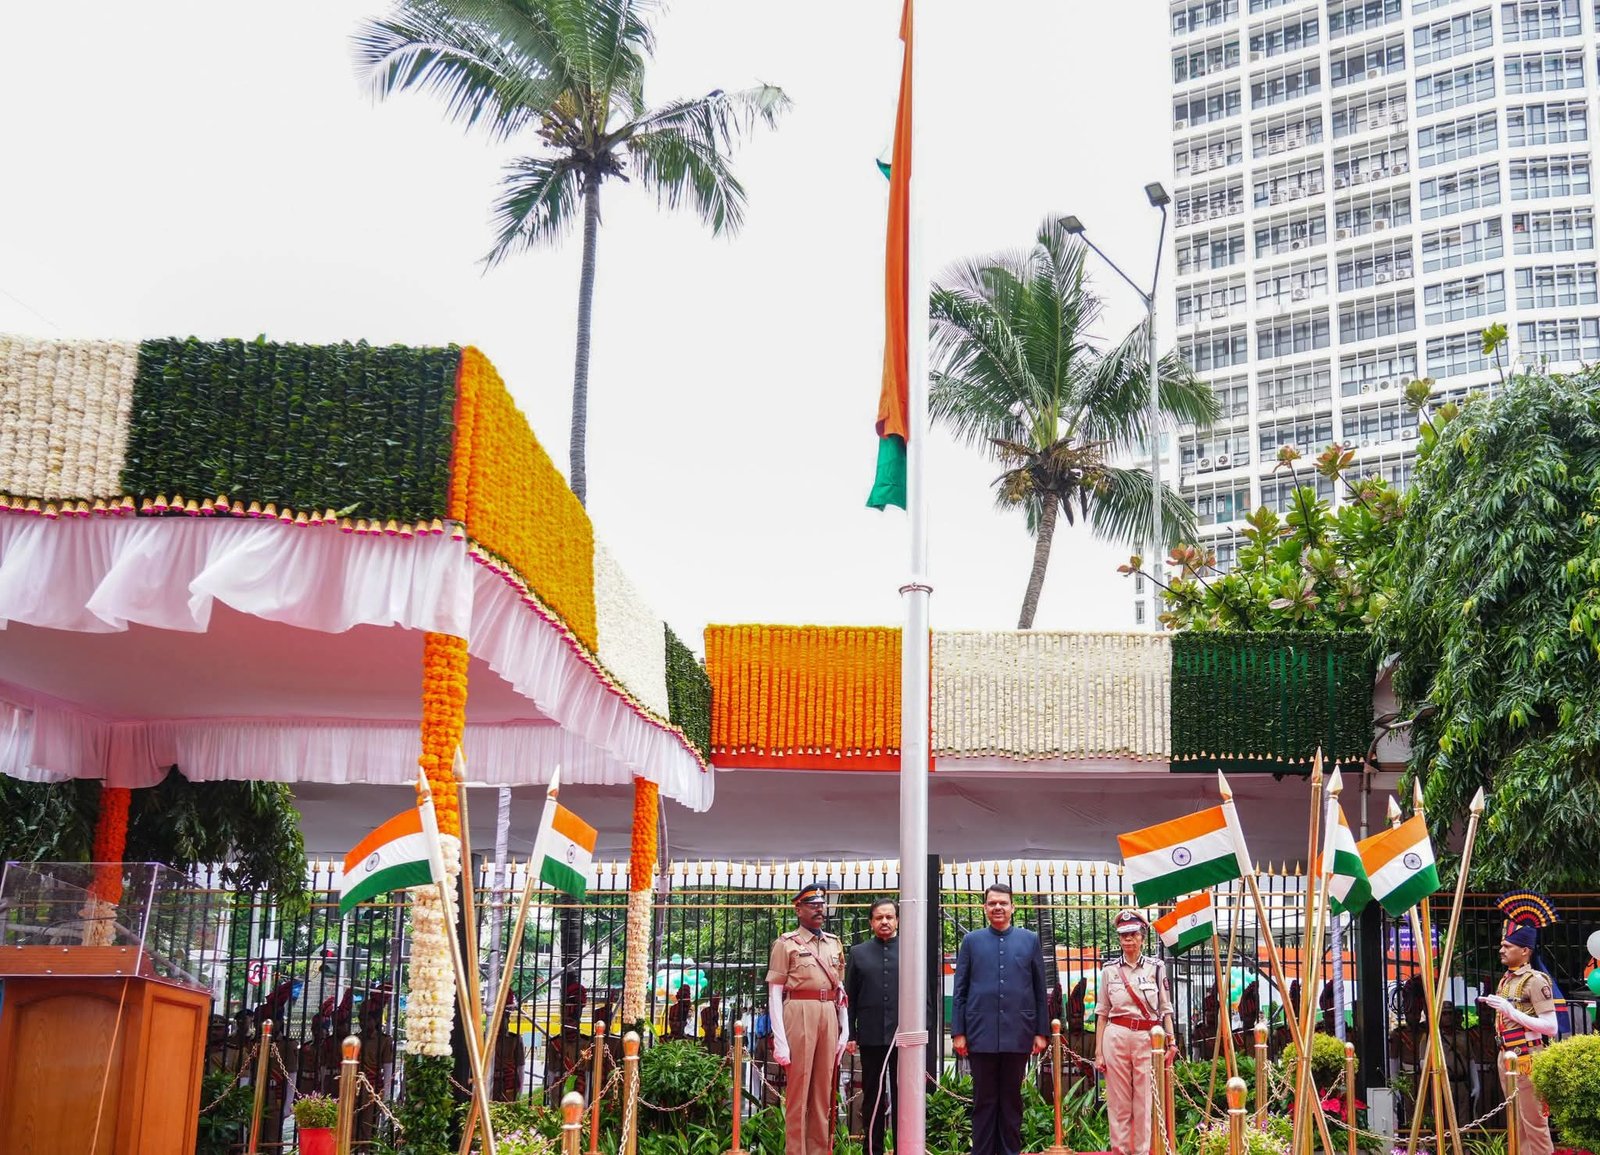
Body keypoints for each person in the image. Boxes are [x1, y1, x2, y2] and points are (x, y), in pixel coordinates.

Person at [952, 883, 1048, 1155]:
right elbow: (960, 989)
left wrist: (1040, 1031)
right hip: (980, 1033)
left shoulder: (1029, 939)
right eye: (992, 903)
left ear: (1012, 907)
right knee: (983, 1102)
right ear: (984, 908)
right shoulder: (972, 941)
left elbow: (1039, 989)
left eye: (1003, 903)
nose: (998, 907)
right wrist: (959, 1032)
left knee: (1011, 1102)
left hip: (1018, 1032)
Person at [767, 882, 849, 1155]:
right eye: (812, 905)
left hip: (828, 1012)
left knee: (823, 1092)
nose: (819, 909)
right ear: (798, 909)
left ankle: (818, 1151)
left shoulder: (834, 943)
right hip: (799, 1011)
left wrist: (845, 1030)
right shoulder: (786, 944)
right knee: (798, 1092)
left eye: (821, 905)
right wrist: (780, 1040)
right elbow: (774, 992)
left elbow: (840, 988)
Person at [1094, 909, 1176, 1155]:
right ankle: (1120, 1150)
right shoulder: (1109, 970)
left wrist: (1171, 1041)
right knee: (1118, 1101)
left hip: (1146, 1037)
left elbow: (1165, 1008)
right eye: (1124, 935)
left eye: (1133, 934)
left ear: (1142, 936)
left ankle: (1140, 1151)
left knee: (1144, 1100)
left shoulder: (1156, 968)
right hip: (1116, 1035)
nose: (1128, 939)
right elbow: (1102, 1013)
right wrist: (1098, 1052)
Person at [1480, 922, 1558, 1155]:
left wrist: (1510, 1011)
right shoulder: (1507, 979)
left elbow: (1551, 1027)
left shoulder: (1535, 980)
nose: (1501, 950)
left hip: (1527, 1056)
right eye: (1502, 945)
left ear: (1525, 950)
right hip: (1507, 1055)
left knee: (1534, 1122)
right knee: (1517, 1122)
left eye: (1508, 946)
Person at [845, 898, 900, 1155]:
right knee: (873, 1097)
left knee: (903, 1097)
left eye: (889, 917)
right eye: (879, 918)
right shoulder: (858, 953)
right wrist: (850, 1033)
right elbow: (850, 998)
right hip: (870, 1035)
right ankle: (872, 1150)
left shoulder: (911, 949)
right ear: (871, 922)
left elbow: (924, 994)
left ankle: (904, 1147)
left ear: (897, 920)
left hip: (903, 1036)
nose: (884, 922)